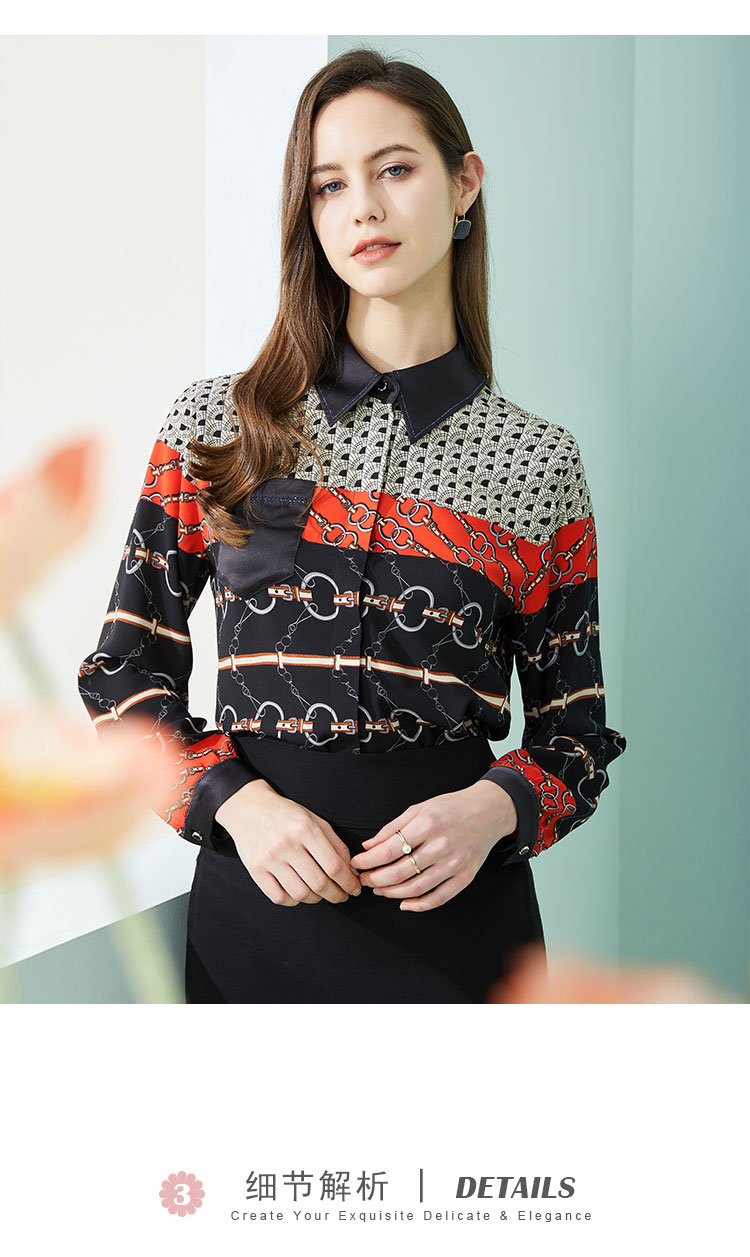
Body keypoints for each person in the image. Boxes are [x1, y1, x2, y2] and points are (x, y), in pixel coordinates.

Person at [78, 47, 627, 1004]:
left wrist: (493, 808)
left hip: (464, 943)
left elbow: (575, 735)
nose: (362, 208)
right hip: (253, 927)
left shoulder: (537, 462)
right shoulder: (217, 425)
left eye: (394, 169)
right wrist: (235, 804)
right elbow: (122, 672)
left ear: (465, 184)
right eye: (330, 184)